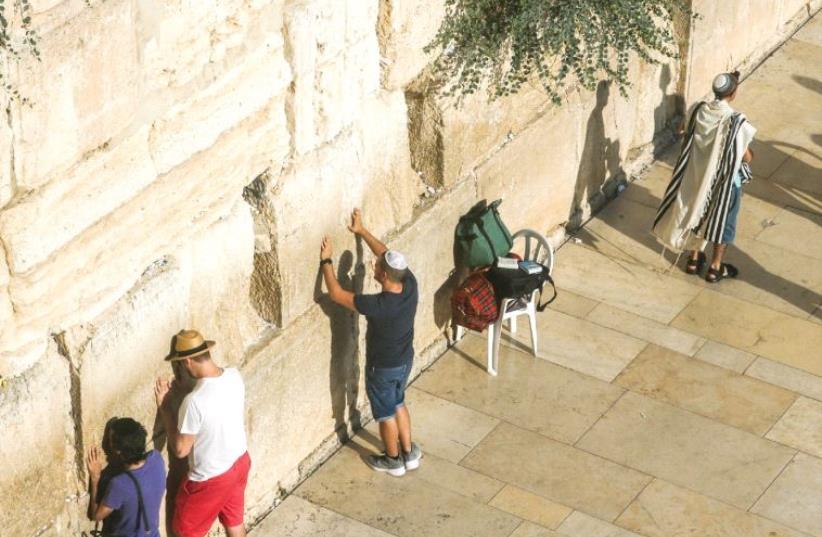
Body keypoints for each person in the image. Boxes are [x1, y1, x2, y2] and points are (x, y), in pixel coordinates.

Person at [320, 208, 422, 477]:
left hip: (382, 368)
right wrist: (361, 231)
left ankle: (392, 460)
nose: (373, 265)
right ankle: (409, 453)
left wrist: (326, 261)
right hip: (404, 361)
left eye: (377, 267)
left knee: (385, 413)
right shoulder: (410, 284)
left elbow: (336, 293)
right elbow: (385, 253)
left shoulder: (377, 305)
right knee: (399, 402)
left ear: (385, 276)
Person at [653, 71, 756, 282]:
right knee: (722, 223)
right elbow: (746, 157)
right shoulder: (737, 122)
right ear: (733, 93)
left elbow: (683, 129)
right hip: (724, 183)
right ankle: (715, 267)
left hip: (695, 175)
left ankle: (693, 259)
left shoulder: (697, 109)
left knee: (696, 211)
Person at [155, 330, 250, 537]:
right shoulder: (234, 375)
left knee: (184, 532)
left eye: (179, 364)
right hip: (239, 462)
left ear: (187, 361)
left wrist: (165, 408)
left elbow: (181, 449)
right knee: (235, 524)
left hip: (210, 478)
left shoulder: (194, 401)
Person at [86, 417, 166, 537]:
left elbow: (96, 515)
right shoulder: (157, 459)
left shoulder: (119, 484)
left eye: (109, 441)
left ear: (117, 450)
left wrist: (95, 478)